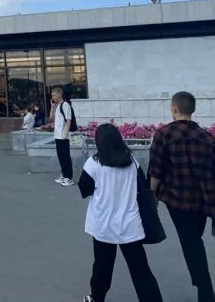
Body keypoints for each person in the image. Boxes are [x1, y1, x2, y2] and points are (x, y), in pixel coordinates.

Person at [148, 91, 215, 302]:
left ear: (174, 109)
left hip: (176, 199)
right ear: (193, 110)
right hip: (203, 199)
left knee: (192, 242)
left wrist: (152, 197)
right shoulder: (207, 137)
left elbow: (156, 171)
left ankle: (206, 291)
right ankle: (202, 287)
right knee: (193, 240)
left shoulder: (164, 134)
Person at [78, 124, 164, 302]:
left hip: (103, 225)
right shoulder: (132, 162)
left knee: (102, 267)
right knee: (141, 270)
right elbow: (143, 187)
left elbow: (84, 190)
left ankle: (96, 298)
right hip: (130, 224)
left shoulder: (93, 164)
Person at [49, 87, 74, 187]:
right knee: (61, 157)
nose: (53, 97)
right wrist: (52, 107)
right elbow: (51, 119)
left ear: (60, 94)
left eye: (54, 95)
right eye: (52, 95)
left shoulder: (65, 105)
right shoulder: (57, 106)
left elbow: (68, 120)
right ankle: (64, 175)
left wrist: (65, 134)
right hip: (57, 136)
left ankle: (69, 178)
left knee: (65, 156)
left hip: (63, 136)